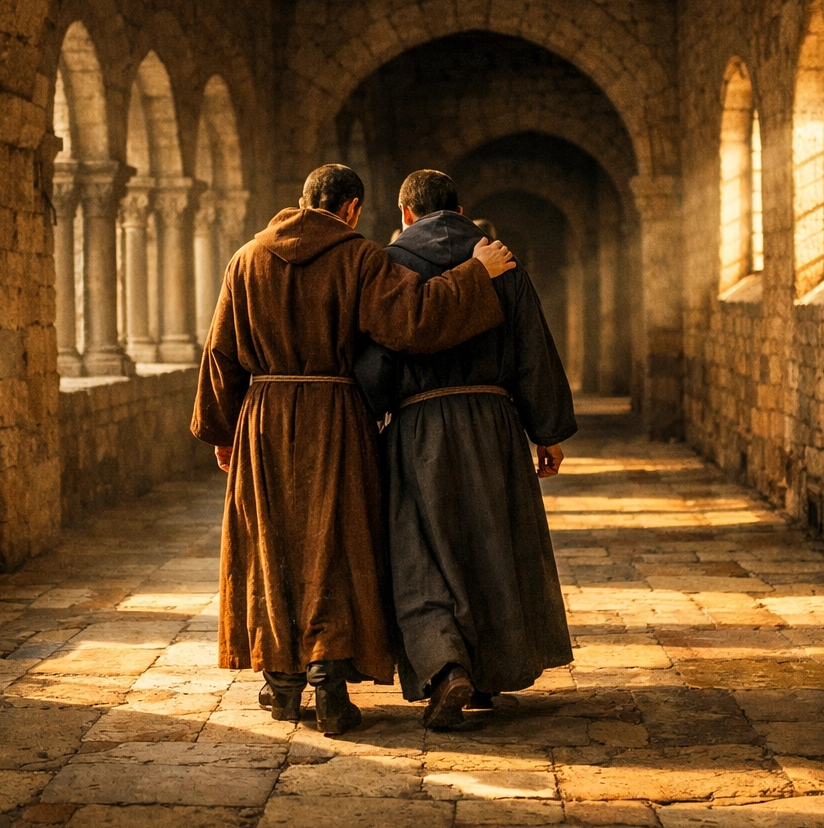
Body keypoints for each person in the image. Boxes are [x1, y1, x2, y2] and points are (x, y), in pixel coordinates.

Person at [192, 164, 519, 735]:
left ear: (302, 200)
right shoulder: (361, 258)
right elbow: (414, 321)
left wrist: (223, 433)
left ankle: (282, 683)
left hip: (263, 420)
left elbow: (220, 355)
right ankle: (329, 686)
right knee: (333, 544)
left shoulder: (245, 259)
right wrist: (475, 275)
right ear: (352, 209)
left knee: (272, 544)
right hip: (336, 416)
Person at [356, 169, 576, 729]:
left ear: (405, 214)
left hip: (418, 425)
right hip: (494, 424)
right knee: (490, 546)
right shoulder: (499, 260)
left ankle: (445, 667)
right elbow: (532, 344)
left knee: (421, 549)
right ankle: (485, 675)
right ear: (459, 208)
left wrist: (369, 412)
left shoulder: (390, 264)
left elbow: (377, 357)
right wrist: (545, 430)